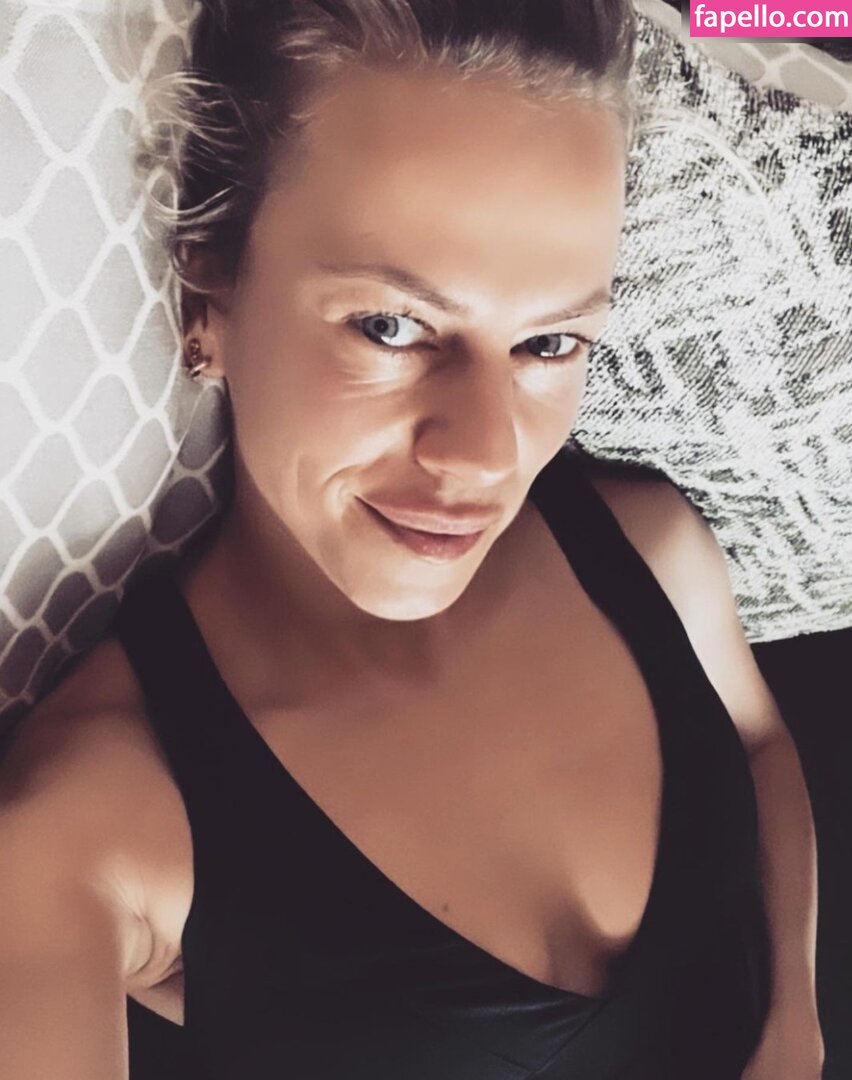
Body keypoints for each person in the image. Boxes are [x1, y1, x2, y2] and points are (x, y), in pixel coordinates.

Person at [0, 1, 823, 1077]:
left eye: (549, 342)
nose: (484, 455)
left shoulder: (650, 550)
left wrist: (795, 1021)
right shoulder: (95, 822)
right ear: (210, 294)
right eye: (390, 326)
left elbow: (757, 745)